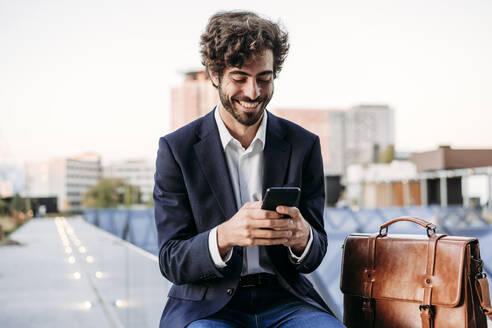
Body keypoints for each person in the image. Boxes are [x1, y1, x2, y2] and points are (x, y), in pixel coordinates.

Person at [153, 10, 345, 328]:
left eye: (264, 79)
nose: (253, 93)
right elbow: (171, 259)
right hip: (209, 308)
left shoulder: (303, 145)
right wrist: (224, 236)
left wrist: (302, 237)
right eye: (240, 78)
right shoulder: (177, 149)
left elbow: (317, 249)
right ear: (214, 75)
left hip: (286, 301)